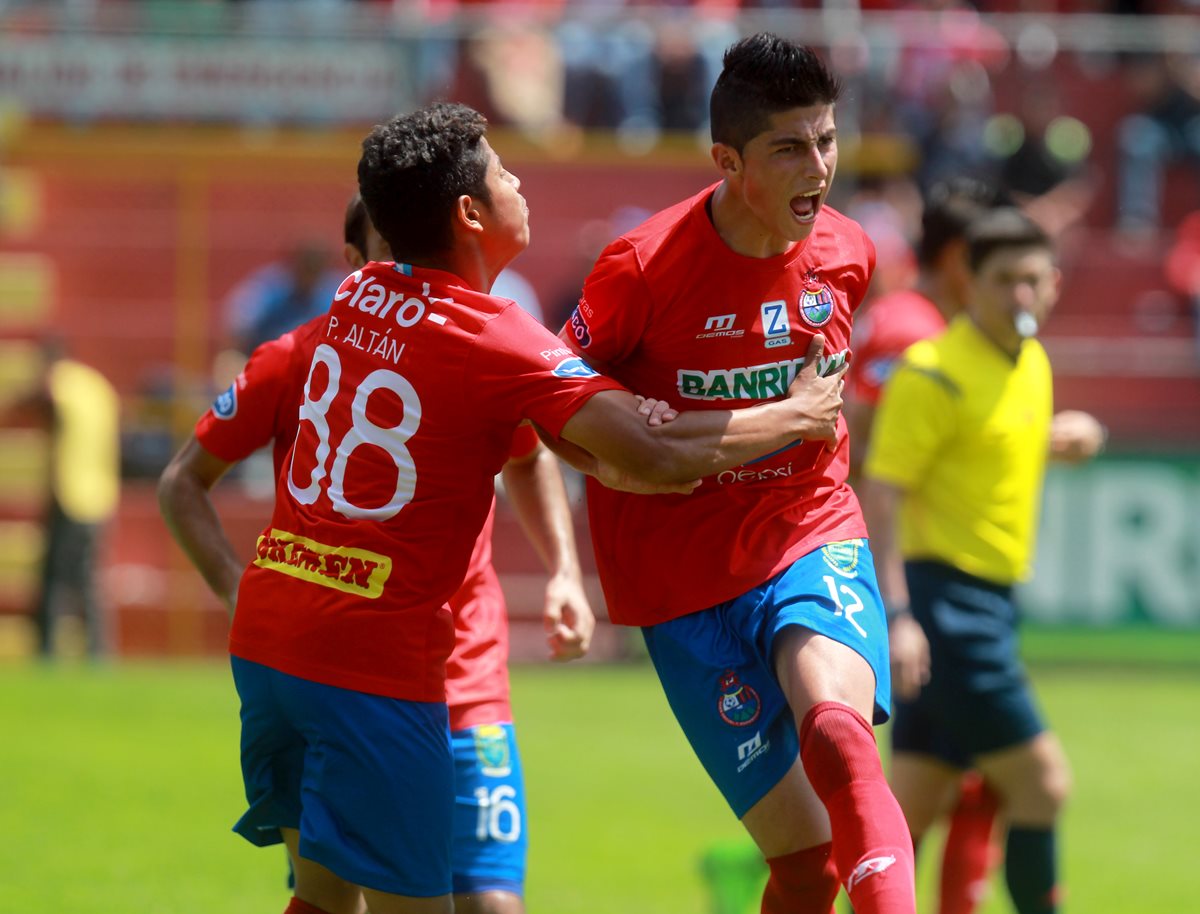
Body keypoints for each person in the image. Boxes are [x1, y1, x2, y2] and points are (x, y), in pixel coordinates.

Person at [219, 100, 849, 914]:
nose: (522, 182)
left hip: (271, 641)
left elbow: (556, 437)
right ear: (471, 212)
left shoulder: (360, 293)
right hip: (369, 661)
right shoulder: (495, 338)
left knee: (327, 900)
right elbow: (644, 453)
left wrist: (612, 443)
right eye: (504, 171)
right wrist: (795, 416)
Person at [160, 192, 598, 914]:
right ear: (355, 266)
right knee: (337, 896)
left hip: (465, 671)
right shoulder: (300, 355)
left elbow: (527, 456)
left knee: (485, 903)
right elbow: (183, 481)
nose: (413, 272)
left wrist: (564, 573)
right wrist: (241, 590)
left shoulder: (471, 352)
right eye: (392, 255)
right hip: (356, 666)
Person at [558, 34, 915, 914]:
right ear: (728, 159)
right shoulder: (642, 268)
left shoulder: (847, 255)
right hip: (680, 582)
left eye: (826, 141)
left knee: (838, 730)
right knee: (804, 865)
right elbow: (552, 407)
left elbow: (831, 407)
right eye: (790, 148)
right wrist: (622, 465)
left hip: (806, 527)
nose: (818, 167)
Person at [860, 208, 1106, 914]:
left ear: (1054, 283)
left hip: (990, 601)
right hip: (945, 608)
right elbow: (883, 495)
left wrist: (1061, 440)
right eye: (1003, 280)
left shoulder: (1030, 362)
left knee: (905, 818)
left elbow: (988, 448)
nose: (1020, 296)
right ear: (969, 284)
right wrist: (900, 613)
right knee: (1042, 785)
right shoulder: (932, 372)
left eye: (1033, 280)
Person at [13, 337, 121, 659]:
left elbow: (38, 396)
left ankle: (48, 650)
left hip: (70, 492)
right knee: (87, 579)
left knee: (57, 578)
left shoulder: (61, 380)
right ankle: (98, 650)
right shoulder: (96, 386)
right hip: (100, 493)